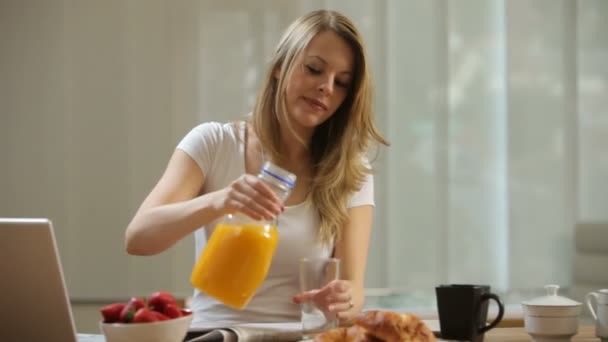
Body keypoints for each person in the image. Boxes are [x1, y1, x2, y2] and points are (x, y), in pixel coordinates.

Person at [124, 9, 388, 327]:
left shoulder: (350, 172)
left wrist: (343, 298)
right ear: (279, 67)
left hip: (303, 337)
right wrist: (219, 201)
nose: (326, 87)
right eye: (314, 69)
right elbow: (138, 238)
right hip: (216, 333)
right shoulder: (214, 143)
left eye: (342, 82)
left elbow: (353, 287)